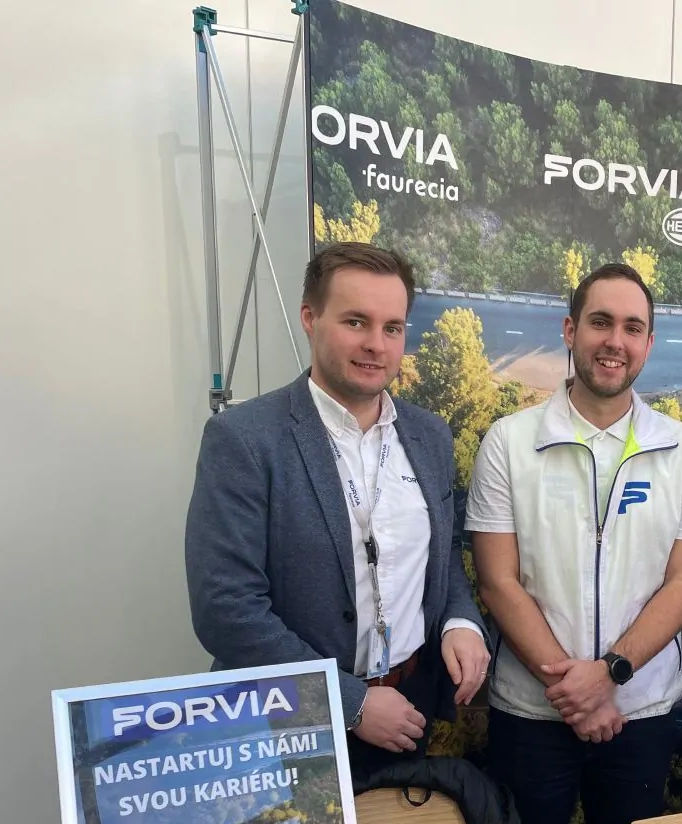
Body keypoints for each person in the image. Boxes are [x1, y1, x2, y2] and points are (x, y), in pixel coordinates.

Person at [185, 242, 490, 783]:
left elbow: (440, 556)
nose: (376, 344)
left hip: (408, 711)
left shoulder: (429, 436)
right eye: (356, 322)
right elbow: (226, 608)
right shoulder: (245, 439)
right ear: (310, 318)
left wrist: (460, 622)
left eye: (392, 328)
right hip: (290, 725)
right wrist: (348, 703)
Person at [465, 263, 682, 824]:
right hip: (530, 713)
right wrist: (575, 692)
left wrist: (610, 675)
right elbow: (497, 582)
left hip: (640, 713)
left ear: (649, 343)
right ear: (570, 330)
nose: (615, 341)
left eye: (632, 328)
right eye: (601, 322)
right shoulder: (509, 442)